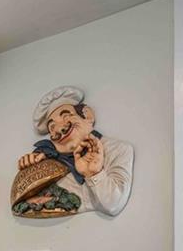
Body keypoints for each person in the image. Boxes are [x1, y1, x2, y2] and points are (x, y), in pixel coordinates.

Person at [16, 86, 133, 217]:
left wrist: (93, 173)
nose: (59, 129)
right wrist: (31, 173)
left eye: (66, 116)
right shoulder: (53, 163)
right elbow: (29, 205)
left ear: (87, 115)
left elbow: (113, 205)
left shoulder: (118, 149)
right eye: (52, 127)